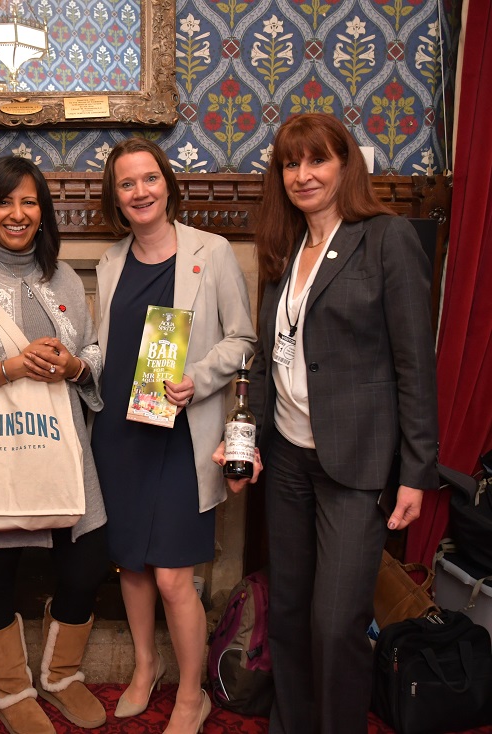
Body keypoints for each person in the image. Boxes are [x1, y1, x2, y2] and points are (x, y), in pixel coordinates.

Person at [214, 113, 439, 734]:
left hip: (356, 462)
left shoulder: (385, 239)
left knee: (336, 621)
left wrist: (416, 473)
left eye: (317, 161)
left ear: (346, 166)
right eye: (291, 164)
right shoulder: (285, 251)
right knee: (288, 611)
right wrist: (249, 441)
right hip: (287, 458)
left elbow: (415, 364)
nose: (303, 175)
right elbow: (268, 359)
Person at [0, 156, 109, 734]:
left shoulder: (62, 279)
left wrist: (75, 365)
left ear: (43, 212)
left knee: (85, 566)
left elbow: (95, 354)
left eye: (29, 201)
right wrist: (8, 367)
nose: (17, 213)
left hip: (64, 447)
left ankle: (61, 676)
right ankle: (11, 692)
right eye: (5, 202)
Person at [92, 138, 256, 732]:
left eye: (149, 179)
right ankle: (144, 668)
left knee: (171, 575)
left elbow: (242, 339)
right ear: (116, 197)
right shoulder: (110, 262)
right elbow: (103, 348)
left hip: (181, 437)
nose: (140, 192)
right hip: (120, 432)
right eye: (127, 184)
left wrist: (198, 377)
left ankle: (192, 693)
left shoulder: (211, 254)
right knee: (131, 566)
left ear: (168, 184)